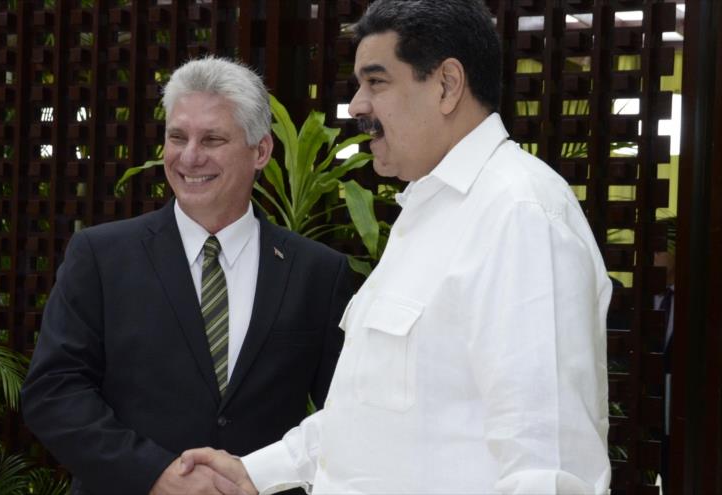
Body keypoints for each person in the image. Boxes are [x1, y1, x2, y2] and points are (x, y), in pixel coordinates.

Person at [181, 1, 612, 493]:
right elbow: (371, 416)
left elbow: (548, 463)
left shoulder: (519, 213)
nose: (357, 105)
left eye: (377, 81)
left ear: (447, 84)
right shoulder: (429, 214)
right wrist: (255, 473)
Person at [20, 56, 352, 495]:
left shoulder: (318, 272)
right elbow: (53, 392)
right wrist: (154, 474)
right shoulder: (101, 257)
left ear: (261, 151)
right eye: (177, 137)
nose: (190, 157)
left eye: (212, 139)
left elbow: (348, 413)